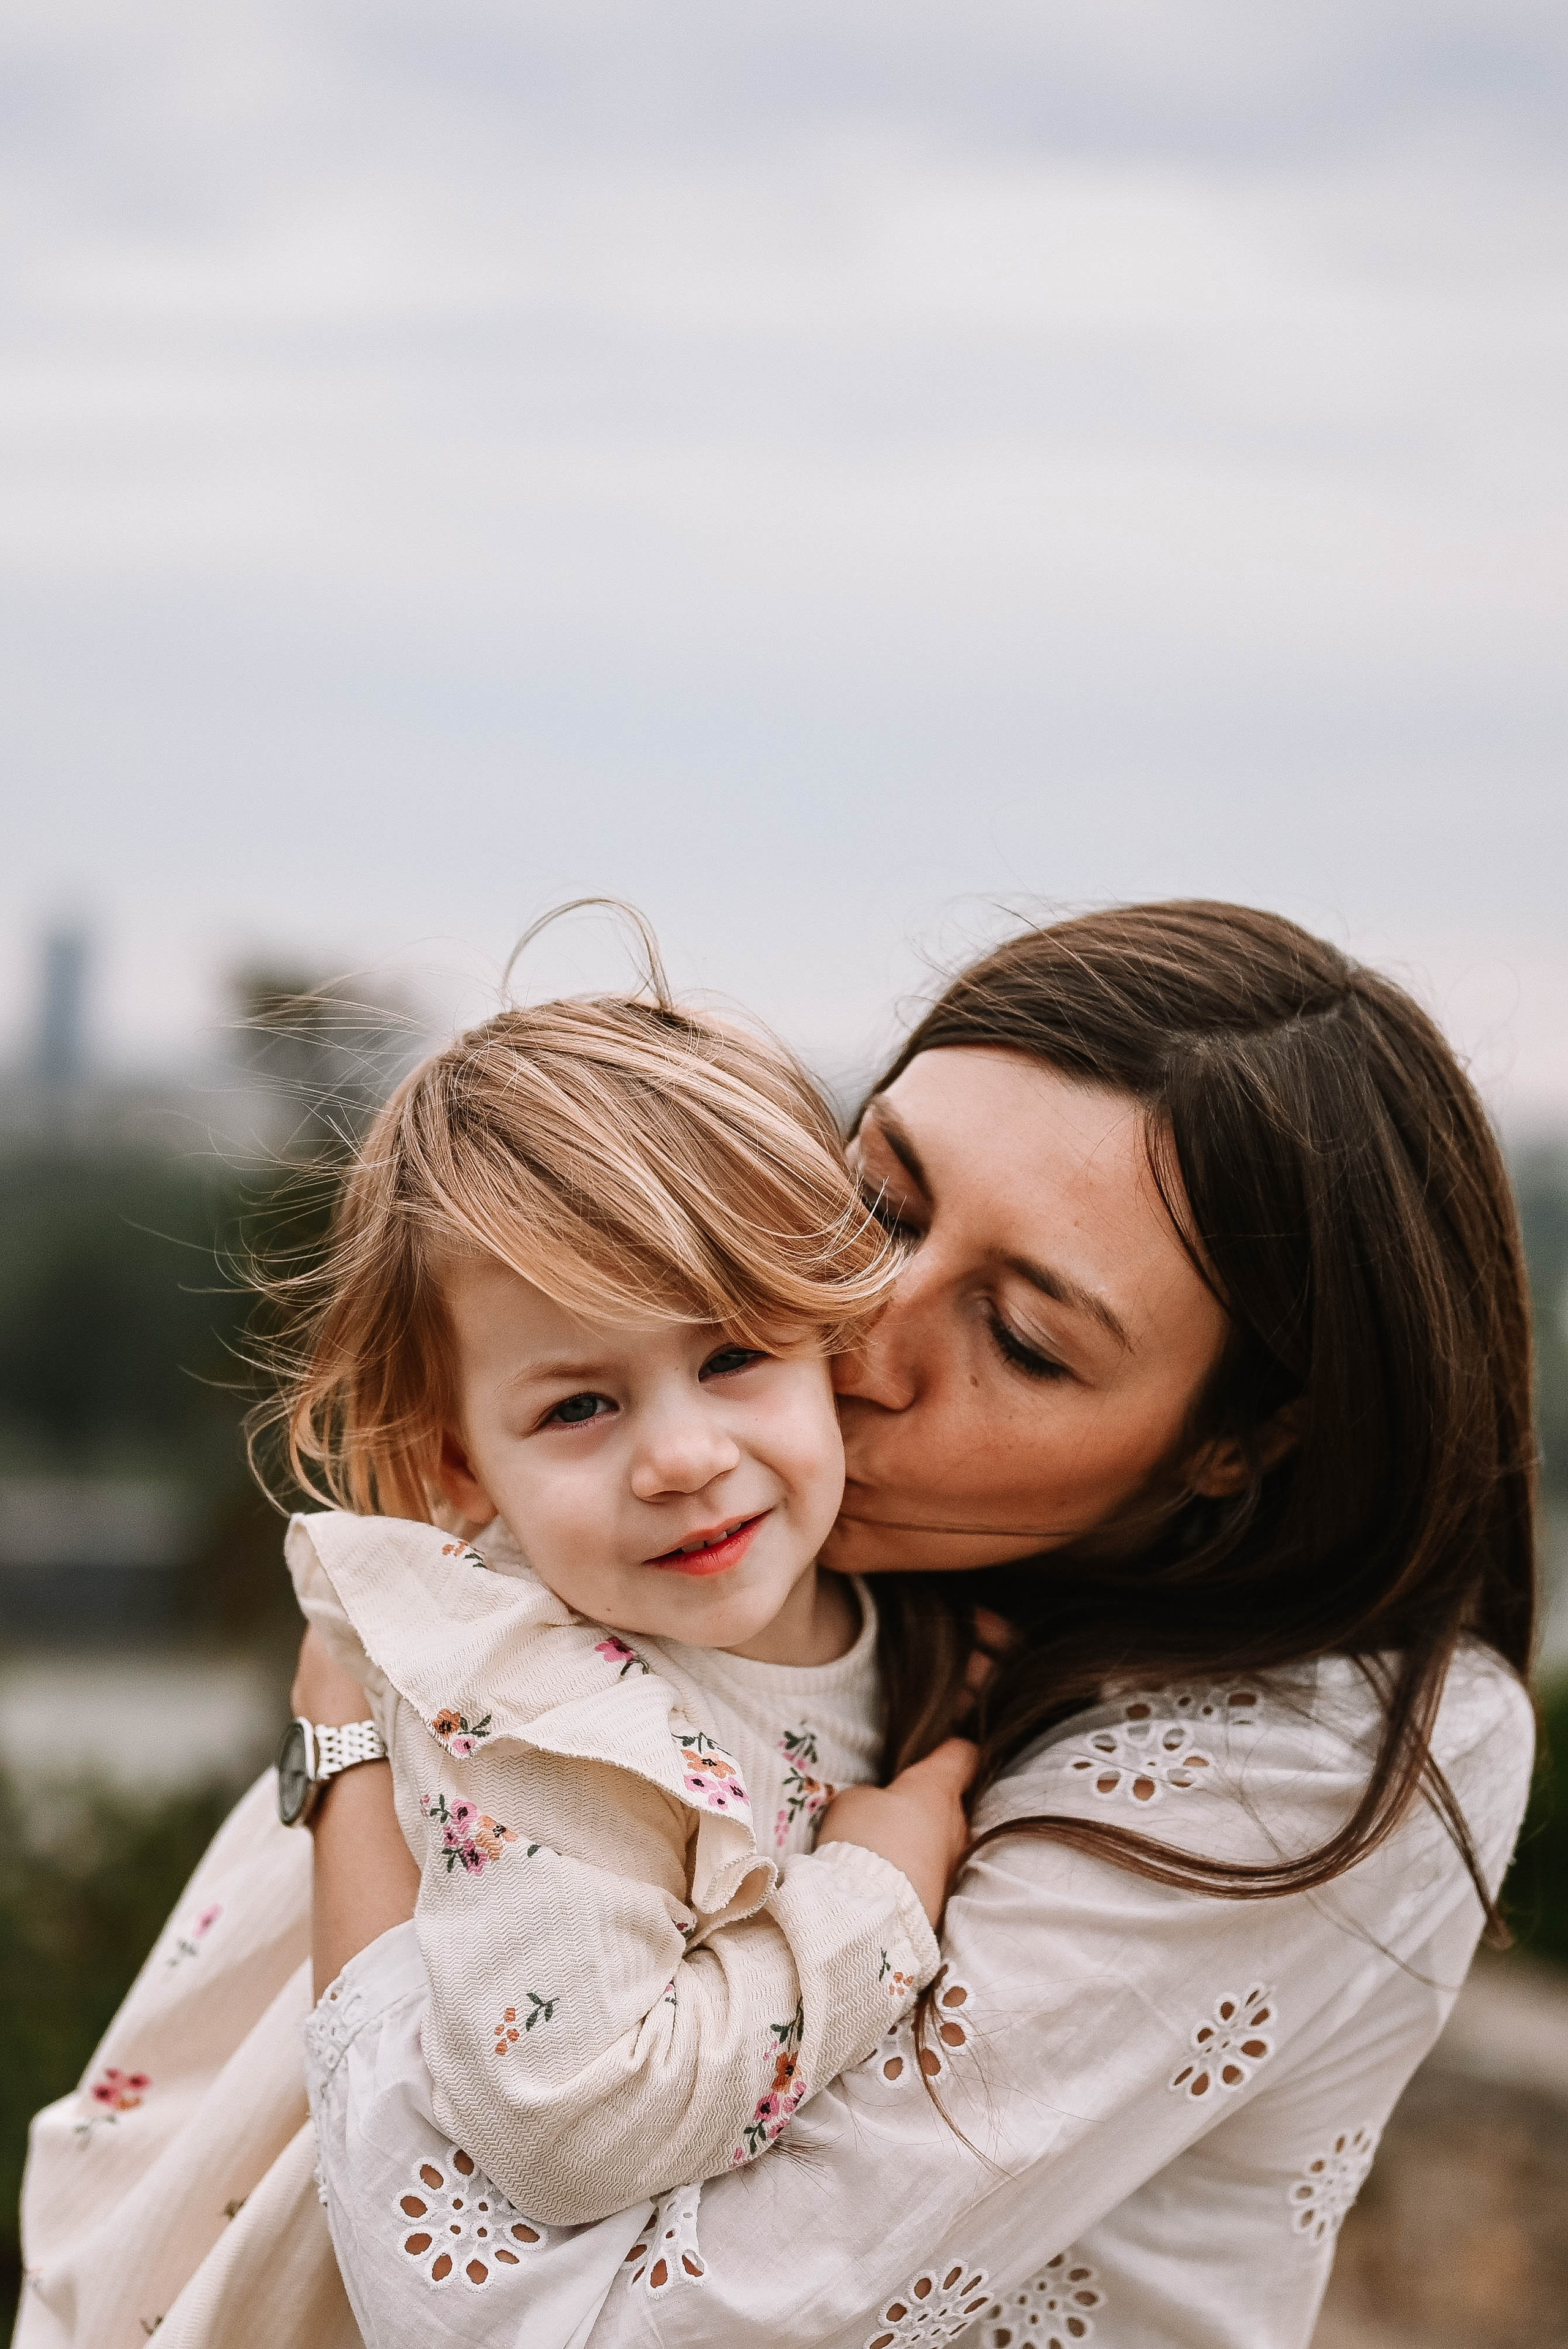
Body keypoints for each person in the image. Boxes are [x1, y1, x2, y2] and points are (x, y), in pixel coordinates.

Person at [15, 901, 1537, 2349]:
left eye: (1017, 1337)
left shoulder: (1311, 1758)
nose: (853, 1322)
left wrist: (346, 1744)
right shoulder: (638, 1588)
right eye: (875, 1201)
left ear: (1238, 1445)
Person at [280, 993, 972, 2258]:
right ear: (463, 1467)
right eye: (579, 1405)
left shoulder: (909, 1606)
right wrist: (881, 1889)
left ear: (831, 1339)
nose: (681, 1458)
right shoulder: (537, 1713)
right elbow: (570, 2128)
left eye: (729, 1359)